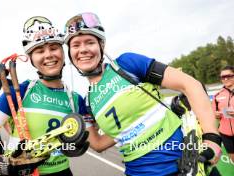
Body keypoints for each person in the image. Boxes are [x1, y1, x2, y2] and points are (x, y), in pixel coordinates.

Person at [64, 12, 222, 175]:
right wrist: (70, 137)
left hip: (187, 164)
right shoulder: (88, 101)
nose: (83, 50)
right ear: (70, 53)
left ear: (101, 45)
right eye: (75, 45)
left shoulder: (126, 64)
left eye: (89, 42)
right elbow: (99, 144)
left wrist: (211, 137)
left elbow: (190, 85)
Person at [0, 16, 87, 176]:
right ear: (31, 58)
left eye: (54, 47)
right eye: (39, 51)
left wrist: (73, 146)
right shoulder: (21, 91)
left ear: (62, 51)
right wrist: (2, 165)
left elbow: (93, 143)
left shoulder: (75, 99)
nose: (48, 55)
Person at [212, 65, 234, 163]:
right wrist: (216, 115)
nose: (225, 78)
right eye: (222, 77)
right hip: (226, 135)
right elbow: (214, 114)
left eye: (229, 75)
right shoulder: (217, 95)